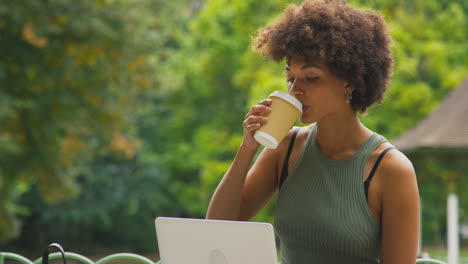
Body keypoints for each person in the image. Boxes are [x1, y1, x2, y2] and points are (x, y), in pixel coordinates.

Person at [206, 0, 420, 263]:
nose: (295, 89)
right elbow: (216, 229)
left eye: (311, 77)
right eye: (290, 77)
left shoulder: (392, 170)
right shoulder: (285, 148)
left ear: (350, 82)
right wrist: (247, 149)